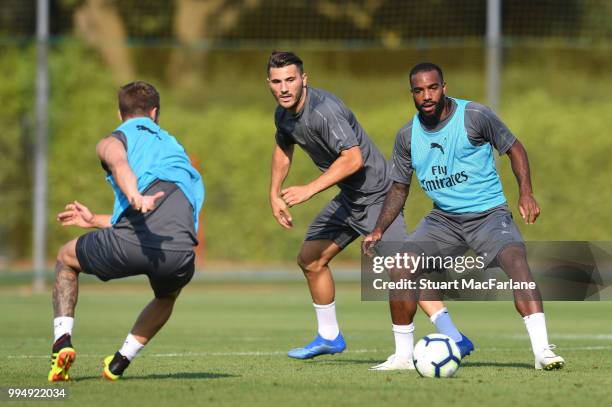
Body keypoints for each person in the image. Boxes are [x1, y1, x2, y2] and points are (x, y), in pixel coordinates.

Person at [267, 51, 473, 370]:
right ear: (269, 84)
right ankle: (329, 335)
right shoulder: (283, 115)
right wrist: (273, 193)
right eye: (278, 82)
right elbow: (284, 146)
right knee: (310, 258)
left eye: (291, 80)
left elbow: (353, 159)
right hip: (350, 199)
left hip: (378, 196)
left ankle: (451, 336)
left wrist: (308, 189)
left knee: (401, 273)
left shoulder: (324, 111)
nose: (284, 88)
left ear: (304, 80)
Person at [363, 62, 565, 370]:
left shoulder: (475, 116)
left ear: (444, 88)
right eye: (419, 91)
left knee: (515, 261)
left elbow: (515, 148)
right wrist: (378, 229)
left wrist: (525, 192)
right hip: (443, 220)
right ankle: (403, 356)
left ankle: (542, 352)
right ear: (412, 94)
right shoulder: (407, 136)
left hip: (488, 214)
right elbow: (399, 189)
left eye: (432, 88)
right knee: (401, 267)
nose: (426, 96)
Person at [49, 81, 205, 381]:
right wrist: (96, 219)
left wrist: (134, 195)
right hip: (179, 252)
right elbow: (159, 214)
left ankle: (62, 343)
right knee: (167, 295)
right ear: (155, 113)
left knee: (66, 258)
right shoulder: (175, 147)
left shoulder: (112, 140)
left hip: (133, 241)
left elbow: (120, 164)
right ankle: (119, 362)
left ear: (119, 113)